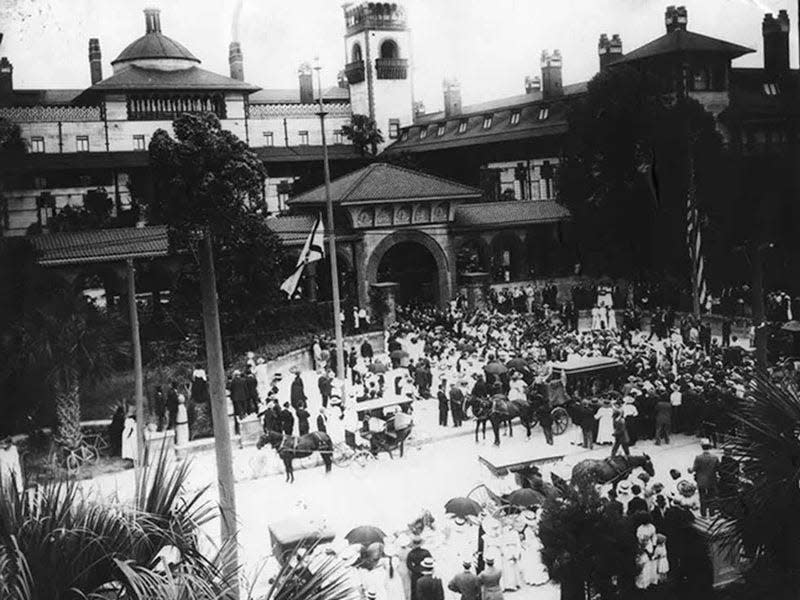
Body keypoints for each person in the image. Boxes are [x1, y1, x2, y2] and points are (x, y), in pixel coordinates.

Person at [691, 438, 719, 517]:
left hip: (701, 481)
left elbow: (694, 469)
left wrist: (690, 470)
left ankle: (703, 514)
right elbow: (718, 468)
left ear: (702, 447)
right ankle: (712, 513)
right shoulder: (715, 457)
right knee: (712, 497)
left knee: (702, 498)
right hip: (712, 480)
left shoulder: (698, 458)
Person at [406, 535, 432, 600]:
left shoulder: (411, 553)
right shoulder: (426, 552)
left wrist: (415, 570)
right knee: (426, 590)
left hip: (415, 574)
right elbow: (431, 561)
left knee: (415, 590)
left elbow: (408, 564)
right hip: (425, 571)